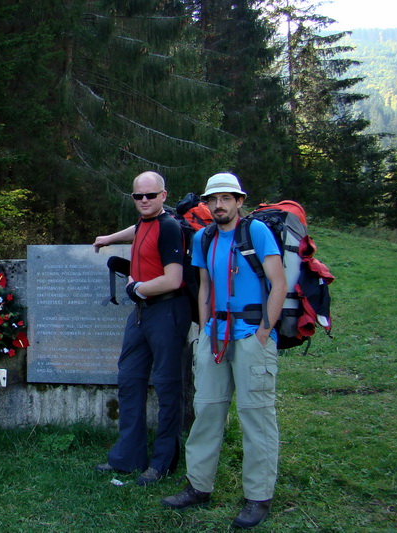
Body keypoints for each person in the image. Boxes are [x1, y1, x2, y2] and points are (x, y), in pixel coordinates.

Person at [161, 173, 287, 529]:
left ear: (239, 201)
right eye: (213, 200)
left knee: (256, 416)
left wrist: (264, 332)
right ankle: (198, 486)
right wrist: (203, 332)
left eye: (226, 199)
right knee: (207, 413)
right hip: (214, 335)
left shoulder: (256, 233)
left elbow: (279, 283)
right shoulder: (203, 237)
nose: (219, 205)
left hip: (250, 336)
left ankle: (257, 497)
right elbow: (203, 288)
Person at [92, 171, 192, 486]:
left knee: (166, 386)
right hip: (141, 314)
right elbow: (136, 230)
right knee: (130, 380)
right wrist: (109, 239)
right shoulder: (145, 222)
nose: (144, 201)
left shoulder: (171, 227)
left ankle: (162, 462)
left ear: (164, 195)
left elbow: (173, 279)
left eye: (151, 195)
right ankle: (128, 457)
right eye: (138, 196)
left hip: (168, 311)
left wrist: (138, 289)